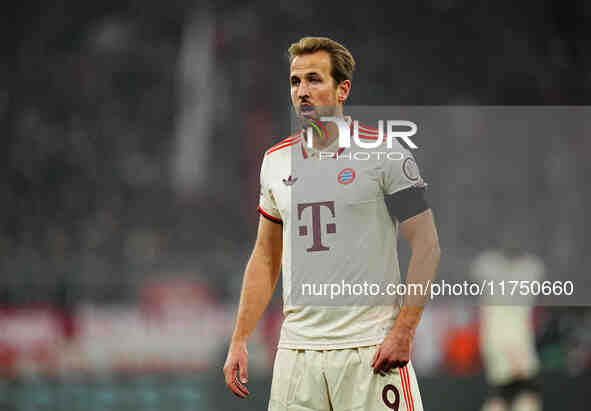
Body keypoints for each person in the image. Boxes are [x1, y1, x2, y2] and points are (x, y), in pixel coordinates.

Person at [223, 37, 441, 411]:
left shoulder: (385, 153)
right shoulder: (275, 161)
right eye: (295, 82)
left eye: (314, 80)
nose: (302, 92)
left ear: (343, 89)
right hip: (298, 354)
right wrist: (239, 337)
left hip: (369, 348)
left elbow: (427, 246)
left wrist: (404, 330)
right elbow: (265, 257)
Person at [471, 238, 545, 411]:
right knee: (519, 394)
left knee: (510, 393)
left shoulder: (530, 267)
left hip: (509, 338)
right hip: (505, 340)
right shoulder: (487, 265)